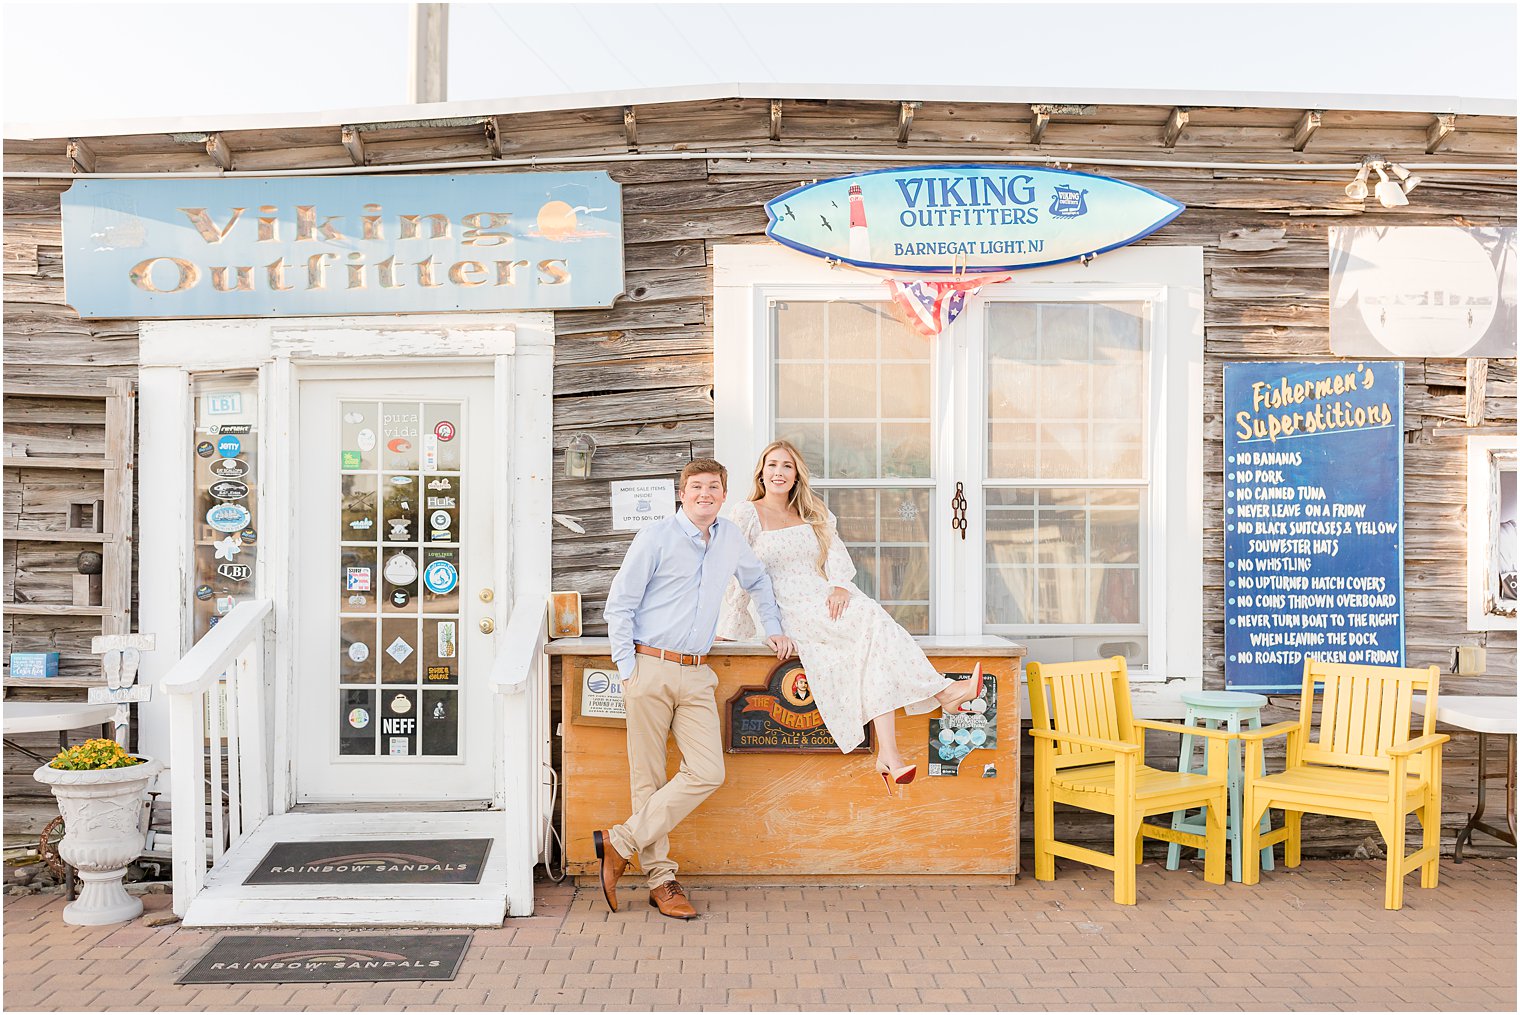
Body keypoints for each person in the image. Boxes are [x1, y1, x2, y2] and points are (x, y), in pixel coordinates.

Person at [717, 440, 984, 793]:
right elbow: (738, 574)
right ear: (761, 472)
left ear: (796, 475)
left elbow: (836, 554)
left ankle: (890, 753)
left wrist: (841, 584)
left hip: (825, 597)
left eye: (787, 466)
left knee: (873, 645)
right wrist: (730, 629)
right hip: (790, 606)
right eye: (772, 465)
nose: (778, 472)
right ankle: (944, 693)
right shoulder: (746, 514)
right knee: (873, 622)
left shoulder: (812, 512)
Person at [597, 458, 795, 920]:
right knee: (647, 779)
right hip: (648, 666)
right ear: (681, 494)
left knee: (707, 771)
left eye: (714, 487)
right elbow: (619, 605)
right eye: (696, 486)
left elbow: (759, 580)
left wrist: (773, 626)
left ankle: (620, 842)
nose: (705, 493)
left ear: (725, 495)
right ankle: (662, 881)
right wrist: (629, 670)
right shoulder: (655, 538)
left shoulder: (730, 538)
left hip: (697, 672)